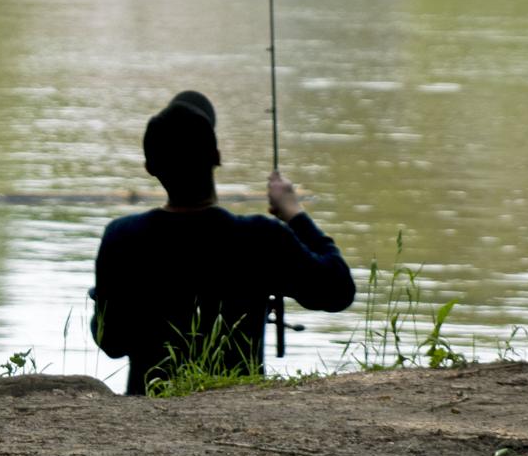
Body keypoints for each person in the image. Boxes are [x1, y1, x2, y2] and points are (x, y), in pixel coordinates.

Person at [91, 90, 355, 395]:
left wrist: (103, 300)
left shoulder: (122, 236)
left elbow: (112, 343)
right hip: (241, 408)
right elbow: (338, 291)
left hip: (147, 407)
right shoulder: (260, 236)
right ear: (217, 156)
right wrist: (295, 214)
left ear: (150, 166)